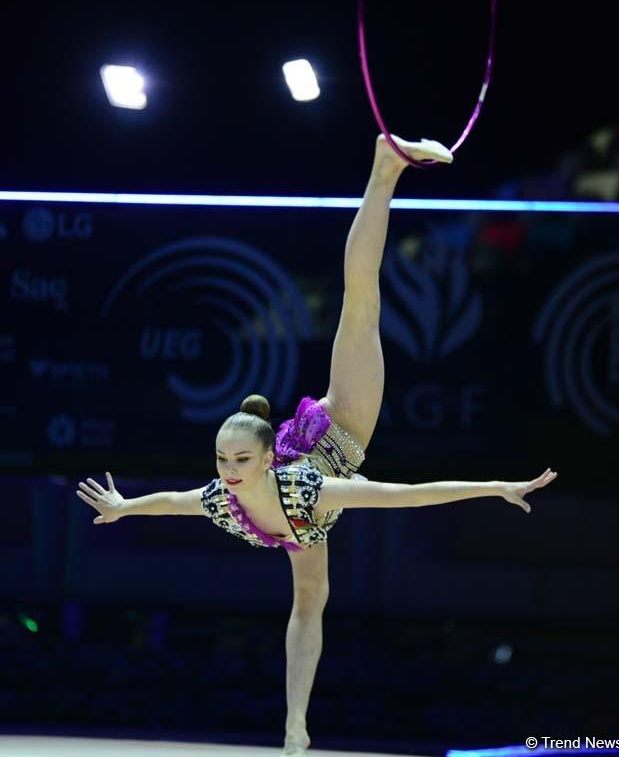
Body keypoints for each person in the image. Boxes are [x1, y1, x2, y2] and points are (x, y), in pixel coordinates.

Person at [76, 133, 558, 755]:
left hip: (343, 427)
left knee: (360, 301)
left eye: (239, 460)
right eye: (222, 460)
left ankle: (385, 167)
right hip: (301, 529)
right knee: (308, 605)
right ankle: (295, 724)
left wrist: (494, 487)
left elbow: (406, 496)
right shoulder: (227, 499)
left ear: (267, 457)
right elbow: (171, 500)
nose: (226, 471)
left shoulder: (304, 484)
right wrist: (123, 508)